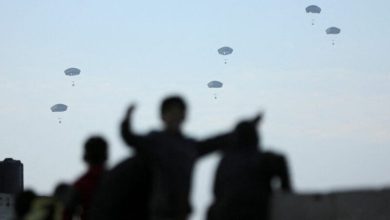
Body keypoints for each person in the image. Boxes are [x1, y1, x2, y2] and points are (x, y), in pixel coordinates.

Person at [121, 95, 235, 220]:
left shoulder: (190, 146)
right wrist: (126, 121)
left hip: (181, 212)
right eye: (171, 112)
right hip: (159, 211)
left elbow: (216, 142)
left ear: (184, 116)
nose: (175, 116)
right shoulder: (155, 141)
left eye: (178, 112)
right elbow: (130, 138)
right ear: (163, 116)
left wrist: (243, 130)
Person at [207, 115, 292, 220]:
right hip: (256, 213)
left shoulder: (225, 161)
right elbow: (281, 162)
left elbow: (216, 191)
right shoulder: (264, 159)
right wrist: (285, 193)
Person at [73, 136, 108, 220]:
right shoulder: (118, 181)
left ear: (86, 156)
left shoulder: (80, 185)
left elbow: (66, 214)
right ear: (106, 156)